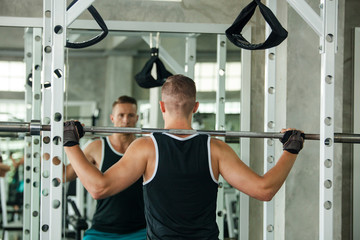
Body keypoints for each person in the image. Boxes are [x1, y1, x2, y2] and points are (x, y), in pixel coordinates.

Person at [64, 74, 305, 239]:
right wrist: (291, 149)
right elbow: (264, 190)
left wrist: (70, 143)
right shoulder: (216, 149)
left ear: (162, 106)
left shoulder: (146, 148)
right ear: (196, 106)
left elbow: (98, 188)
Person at [64, 96, 146, 240]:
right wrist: (45, 143)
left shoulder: (145, 149)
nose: (126, 120)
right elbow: (64, 175)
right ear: (112, 118)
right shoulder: (97, 147)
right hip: (102, 230)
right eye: (121, 115)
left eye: (130, 115)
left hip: (140, 230)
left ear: (137, 118)